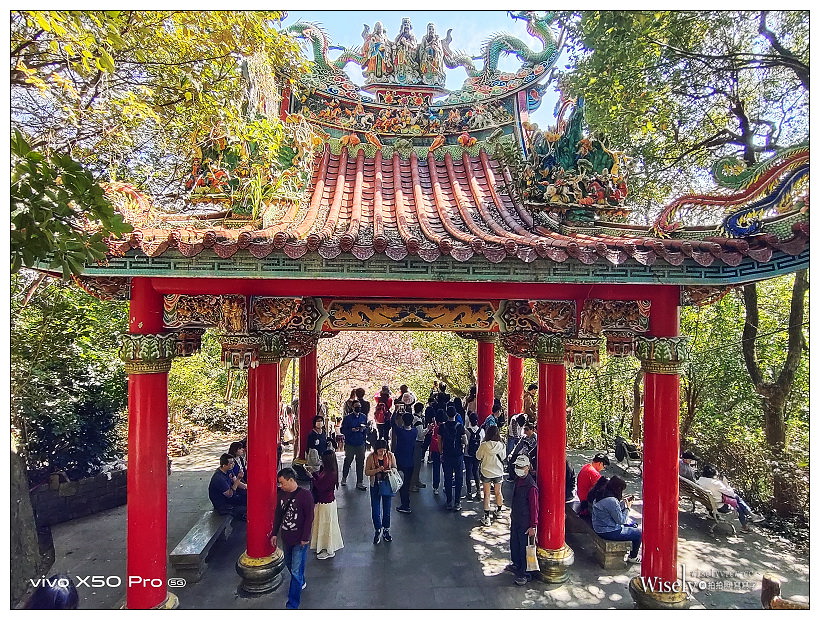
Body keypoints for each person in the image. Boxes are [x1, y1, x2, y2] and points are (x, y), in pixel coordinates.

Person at [270, 467, 314, 609]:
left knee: (295, 571)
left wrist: (305, 537)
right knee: (289, 564)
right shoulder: (281, 495)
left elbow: (309, 517)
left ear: (291, 480)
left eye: (282, 483)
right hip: (286, 536)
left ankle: (292, 604)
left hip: (299, 539)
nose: (280, 486)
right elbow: (278, 514)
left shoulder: (305, 495)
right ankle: (301, 580)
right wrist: (274, 533)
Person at [698, 464, 764, 532]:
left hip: (708, 503)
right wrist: (726, 484)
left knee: (736, 499)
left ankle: (751, 516)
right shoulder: (716, 483)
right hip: (720, 507)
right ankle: (746, 524)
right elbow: (731, 494)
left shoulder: (701, 480)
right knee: (737, 505)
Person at [591, 475, 642, 563]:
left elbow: (612, 510)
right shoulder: (611, 501)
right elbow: (621, 520)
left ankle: (631, 552)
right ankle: (633, 556)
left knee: (633, 525)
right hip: (607, 531)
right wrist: (627, 508)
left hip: (599, 526)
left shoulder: (601, 493)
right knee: (638, 533)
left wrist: (623, 503)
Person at [509, 455, 539, 586]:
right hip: (516, 518)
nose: (518, 469)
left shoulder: (531, 487)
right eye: (517, 466)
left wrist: (533, 525)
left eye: (521, 467)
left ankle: (525, 574)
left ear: (527, 468)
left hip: (526, 523)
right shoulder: (518, 480)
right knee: (515, 544)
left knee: (524, 548)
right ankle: (516, 565)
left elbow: (534, 507)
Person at [309, 450, 344, 560]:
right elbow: (320, 481)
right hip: (325, 502)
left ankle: (328, 549)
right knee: (323, 525)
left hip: (326, 503)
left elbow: (321, 487)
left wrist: (312, 477)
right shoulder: (328, 471)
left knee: (326, 526)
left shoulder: (330, 474)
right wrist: (314, 474)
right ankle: (323, 547)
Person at [365, 440, 397, 544]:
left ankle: (386, 529)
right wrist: (377, 470)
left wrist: (390, 471)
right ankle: (377, 529)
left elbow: (395, 468)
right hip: (375, 485)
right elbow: (367, 471)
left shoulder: (390, 455)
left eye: (384, 451)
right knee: (375, 509)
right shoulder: (370, 457)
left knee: (387, 508)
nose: (382, 453)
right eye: (380, 451)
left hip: (387, 484)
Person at [475, 425, 506, 526]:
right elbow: (503, 457)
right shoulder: (501, 445)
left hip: (486, 471)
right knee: (498, 492)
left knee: (487, 494)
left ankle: (487, 517)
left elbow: (478, 456)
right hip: (498, 471)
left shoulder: (484, 445)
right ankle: (499, 511)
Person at [439, 405, 467, 511]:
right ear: (456, 414)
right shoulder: (460, 426)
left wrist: (441, 452)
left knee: (448, 478)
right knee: (459, 478)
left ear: (447, 414)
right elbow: (465, 441)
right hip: (458, 455)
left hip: (446, 455)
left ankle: (449, 501)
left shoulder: (442, 426)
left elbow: (439, 440)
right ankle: (457, 502)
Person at [340, 401, 368, 490]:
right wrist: (351, 430)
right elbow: (342, 430)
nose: (358, 408)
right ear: (352, 407)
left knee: (360, 463)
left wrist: (363, 430)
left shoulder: (363, 417)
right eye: (356, 407)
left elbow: (366, 429)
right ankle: (344, 478)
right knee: (348, 461)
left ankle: (360, 482)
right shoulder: (347, 418)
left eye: (359, 407)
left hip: (360, 443)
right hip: (350, 443)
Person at [394, 412, 417, 513]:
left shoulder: (400, 432)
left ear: (403, 421)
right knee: (407, 484)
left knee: (401, 484)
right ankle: (406, 504)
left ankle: (405, 505)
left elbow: (392, 422)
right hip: (410, 462)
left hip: (400, 462)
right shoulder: (414, 432)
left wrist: (396, 411)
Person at [464, 412, 484, 501]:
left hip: (467, 454)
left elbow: (464, 442)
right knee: (476, 471)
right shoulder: (482, 431)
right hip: (477, 454)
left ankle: (469, 492)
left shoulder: (466, 430)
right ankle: (478, 491)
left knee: (468, 472)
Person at [409, 402, 428, 492]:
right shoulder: (418, 421)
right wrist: (428, 429)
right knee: (416, 465)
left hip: (412, 443)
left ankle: (416, 480)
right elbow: (420, 435)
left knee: (415, 464)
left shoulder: (413, 417)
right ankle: (413, 484)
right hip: (418, 443)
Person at [427, 411, 445, 495]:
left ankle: (435, 487)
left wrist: (430, 451)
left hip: (436, 451)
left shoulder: (436, 428)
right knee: (446, 470)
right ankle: (446, 485)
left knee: (436, 469)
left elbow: (433, 441)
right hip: (446, 451)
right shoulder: (446, 427)